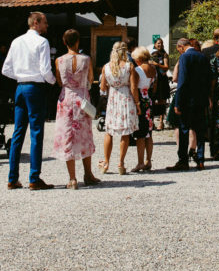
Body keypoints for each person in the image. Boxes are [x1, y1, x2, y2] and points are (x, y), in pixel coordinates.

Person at [2, 11, 56, 190]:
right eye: (45, 22)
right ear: (36, 22)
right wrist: (54, 81)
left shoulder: (16, 41)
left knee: (18, 132)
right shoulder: (42, 42)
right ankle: (34, 177)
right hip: (35, 87)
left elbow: (5, 69)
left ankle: (12, 177)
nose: (46, 25)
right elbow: (45, 69)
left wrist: (20, 75)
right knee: (36, 133)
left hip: (20, 86)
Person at [52, 30, 100, 188]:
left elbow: (59, 81)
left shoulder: (59, 60)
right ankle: (88, 174)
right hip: (82, 98)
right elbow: (91, 79)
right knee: (85, 135)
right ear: (78, 41)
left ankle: (72, 179)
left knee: (68, 136)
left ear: (64, 42)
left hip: (66, 98)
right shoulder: (86, 59)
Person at [166, 36, 211, 171]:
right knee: (200, 129)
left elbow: (183, 81)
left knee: (184, 129)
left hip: (187, 100)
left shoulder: (185, 57)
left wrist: (178, 103)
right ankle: (201, 159)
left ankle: (183, 160)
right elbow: (208, 78)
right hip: (201, 99)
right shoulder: (202, 57)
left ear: (181, 47)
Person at [100, 42, 139, 175]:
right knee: (125, 133)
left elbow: (102, 87)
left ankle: (106, 162)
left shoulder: (106, 67)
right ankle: (121, 164)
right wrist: (137, 104)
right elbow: (134, 88)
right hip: (126, 99)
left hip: (113, 99)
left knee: (109, 131)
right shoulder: (129, 66)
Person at [131, 46, 155, 172]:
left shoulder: (137, 70)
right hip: (149, 99)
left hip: (140, 100)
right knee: (149, 133)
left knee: (140, 134)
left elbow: (134, 88)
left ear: (139, 58)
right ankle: (148, 160)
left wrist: (136, 103)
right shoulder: (153, 69)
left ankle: (140, 162)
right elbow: (153, 86)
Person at [150, 38, 171, 130]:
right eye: (158, 43)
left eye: (161, 43)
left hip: (162, 80)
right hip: (154, 80)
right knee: (152, 101)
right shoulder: (151, 55)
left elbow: (166, 67)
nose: (160, 45)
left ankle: (161, 123)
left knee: (162, 101)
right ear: (155, 44)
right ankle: (152, 123)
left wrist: (157, 64)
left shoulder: (164, 54)